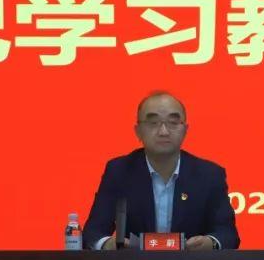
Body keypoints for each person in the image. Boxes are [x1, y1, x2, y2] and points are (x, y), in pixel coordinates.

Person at [82, 91, 240, 250]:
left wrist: (211, 243)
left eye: (173, 122)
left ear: (185, 130)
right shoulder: (119, 171)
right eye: (153, 123)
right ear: (138, 131)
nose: (164, 131)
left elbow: (227, 234)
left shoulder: (209, 175)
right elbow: (93, 232)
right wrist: (107, 244)